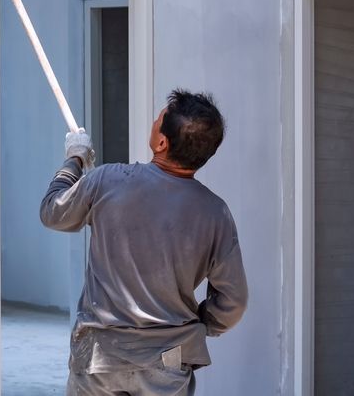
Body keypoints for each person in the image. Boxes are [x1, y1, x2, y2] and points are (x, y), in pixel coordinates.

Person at [40, 89, 247, 396]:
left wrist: (74, 159)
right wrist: (197, 325)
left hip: (100, 357)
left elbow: (53, 212)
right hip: (168, 358)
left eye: (158, 118)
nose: (154, 121)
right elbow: (233, 302)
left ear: (162, 142)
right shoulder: (216, 213)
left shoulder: (107, 181)